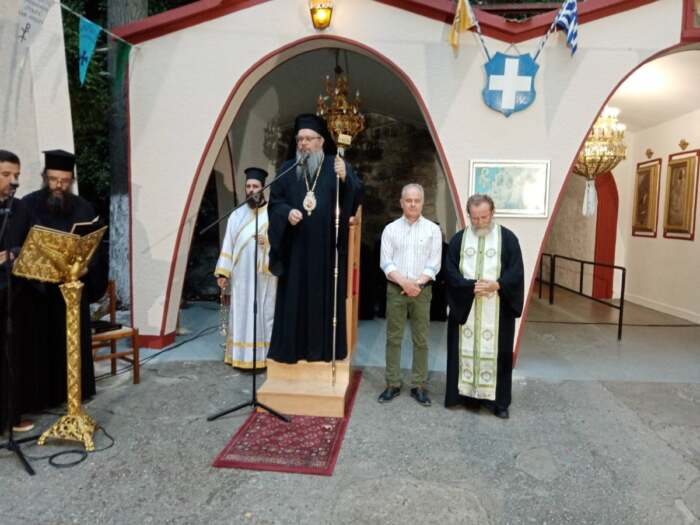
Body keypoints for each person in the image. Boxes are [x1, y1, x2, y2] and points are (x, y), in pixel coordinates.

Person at [267, 113, 362, 363]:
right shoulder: (288, 169)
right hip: (295, 249)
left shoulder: (334, 165)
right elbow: (275, 203)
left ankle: (323, 350)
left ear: (321, 141)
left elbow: (356, 195)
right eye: (300, 139)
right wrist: (286, 213)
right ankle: (292, 349)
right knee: (294, 299)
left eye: (309, 139)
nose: (303, 144)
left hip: (325, 250)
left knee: (323, 299)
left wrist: (346, 177)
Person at [20, 149, 107, 412]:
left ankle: (78, 393)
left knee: (73, 341)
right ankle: (44, 398)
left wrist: (86, 267)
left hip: (73, 290)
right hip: (40, 292)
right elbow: (21, 247)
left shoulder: (83, 207)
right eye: (54, 179)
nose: (59, 185)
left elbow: (95, 247)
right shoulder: (27, 205)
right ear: (45, 177)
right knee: (42, 344)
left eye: (65, 181)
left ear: (71, 180)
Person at [444, 194, 524, 419]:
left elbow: (516, 272)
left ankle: (498, 402)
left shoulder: (508, 239)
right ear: (469, 215)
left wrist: (498, 285)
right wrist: (469, 286)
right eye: (475, 218)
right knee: (463, 351)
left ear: (492, 213)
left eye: (484, 217)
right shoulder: (459, 240)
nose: (479, 222)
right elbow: (449, 271)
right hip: (466, 308)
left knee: (499, 354)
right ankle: (467, 397)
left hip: (497, 308)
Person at [378, 183, 442, 407]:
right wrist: (405, 282)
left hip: (422, 291)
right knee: (393, 338)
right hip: (396, 289)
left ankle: (419, 385)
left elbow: (434, 264)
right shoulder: (390, 229)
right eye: (408, 200)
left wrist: (417, 284)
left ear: (422, 203)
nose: (413, 204)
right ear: (401, 202)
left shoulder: (433, 230)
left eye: (417, 200)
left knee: (421, 339)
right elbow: (386, 262)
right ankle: (392, 383)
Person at [214, 167, 277, 370]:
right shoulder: (236, 215)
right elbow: (228, 244)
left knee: (264, 314)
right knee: (241, 313)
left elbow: (283, 244)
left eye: (255, 186)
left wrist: (268, 242)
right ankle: (240, 356)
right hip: (241, 277)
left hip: (264, 276)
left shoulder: (273, 214)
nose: (251, 190)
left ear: (263, 188)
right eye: (248, 186)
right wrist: (223, 272)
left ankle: (264, 357)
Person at [0, 150, 32, 434]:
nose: (13, 180)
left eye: (16, 175)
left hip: (14, 293)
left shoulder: (21, 209)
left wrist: (16, 252)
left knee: (13, 355)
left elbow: (32, 243)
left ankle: (12, 417)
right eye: (6, 174)